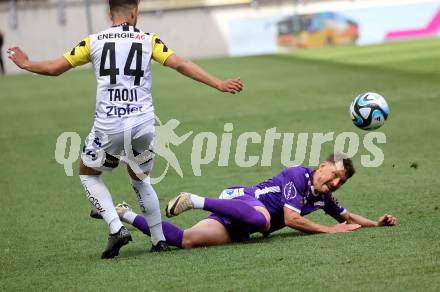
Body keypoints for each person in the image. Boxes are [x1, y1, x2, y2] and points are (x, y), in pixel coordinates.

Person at [8, 0, 243, 258]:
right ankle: (159, 240)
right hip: (142, 127)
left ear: (110, 14)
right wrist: (218, 83)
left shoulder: (93, 41)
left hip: (108, 129)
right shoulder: (148, 39)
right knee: (140, 179)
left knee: (88, 174)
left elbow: (54, 68)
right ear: (133, 12)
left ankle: (116, 227)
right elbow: (181, 64)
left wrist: (26, 63)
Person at [98, 153, 397, 249]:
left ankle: (121, 212)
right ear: (321, 166)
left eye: (339, 181)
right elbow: (292, 219)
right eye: (333, 175)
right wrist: (329, 230)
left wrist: (377, 224)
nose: (334, 183)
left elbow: (347, 217)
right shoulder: (297, 176)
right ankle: (197, 199)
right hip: (244, 200)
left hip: (244, 224)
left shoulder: (324, 197)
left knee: (186, 241)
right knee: (265, 220)